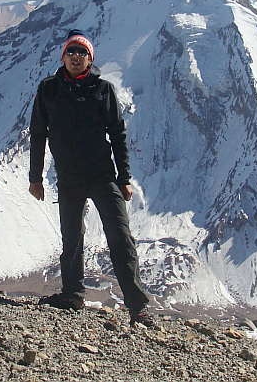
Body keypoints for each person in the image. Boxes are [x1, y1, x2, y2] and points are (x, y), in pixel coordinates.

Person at [28, 29, 155, 327]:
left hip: (102, 176)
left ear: (90, 58)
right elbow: (37, 135)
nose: (76, 57)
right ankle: (73, 295)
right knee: (71, 239)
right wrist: (35, 178)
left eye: (82, 53)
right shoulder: (48, 89)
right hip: (69, 178)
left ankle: (138, 307)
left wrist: (124, 177)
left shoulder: (103, 90)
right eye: (71, 52)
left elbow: (118, 134)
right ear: (63, 56)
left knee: (120, 238)